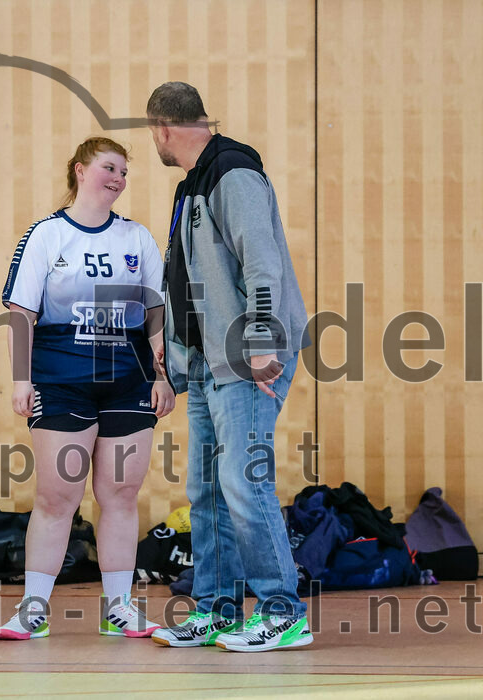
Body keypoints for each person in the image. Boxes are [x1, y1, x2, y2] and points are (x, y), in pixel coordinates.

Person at [144, 82, 313, 652]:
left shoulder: (231, 171)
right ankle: (217, 609)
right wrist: (174, 346)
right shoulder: (190, 185)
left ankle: (282, 612)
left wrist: (261, 343)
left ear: (163, 129)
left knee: (244, 483)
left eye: (153, 135)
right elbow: (191, 278)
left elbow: (261, 263)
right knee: (207, 489)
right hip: (205, 364)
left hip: (246, 359)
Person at [0, 137, 174, 640]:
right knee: (58, 497)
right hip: (61, 381)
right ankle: (34, 608)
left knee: (120, 493)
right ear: (80, 170)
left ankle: (119, 607)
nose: (118, 178)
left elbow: (155, 315)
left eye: (124, 171)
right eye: (109, 168)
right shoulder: (46, 236)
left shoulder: (137, 238)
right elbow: (21, 315)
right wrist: (20, 380)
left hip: (127, 382)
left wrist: (163, 376)